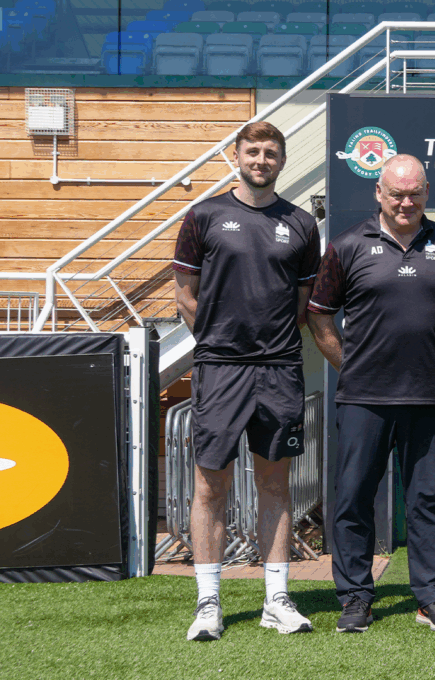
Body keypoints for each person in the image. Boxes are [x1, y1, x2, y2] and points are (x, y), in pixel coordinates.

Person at [307, 154, 435, 634]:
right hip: (363, 397)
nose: (406, 202)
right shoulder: (346, 246)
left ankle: (432, 597)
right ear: (378, 193)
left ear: (427, 193)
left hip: (429, 395)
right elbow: (319, 315)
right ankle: (355, 597)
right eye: (397, 194)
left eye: (414, 193)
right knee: (353, 498)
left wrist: (434, 358)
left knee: (427, 500)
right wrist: (351, 365)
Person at [172, 121, 319, 641]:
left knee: (275, 483)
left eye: (270, 152)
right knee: (210, 484)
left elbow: (302, 304)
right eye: (252, 151)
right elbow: (184, 295)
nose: (261, 160)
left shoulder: (301, 224)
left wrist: (268, 343)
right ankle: (208, 603)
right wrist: (219, 343)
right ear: (237, 156)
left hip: (279, 369)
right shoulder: (204, 215)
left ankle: (276, 599)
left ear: (282, 160)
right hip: (220, 369)